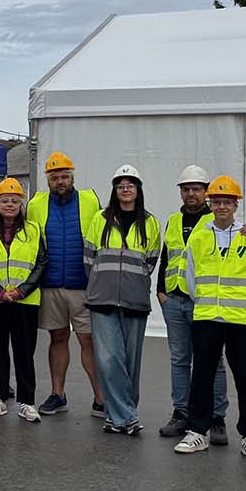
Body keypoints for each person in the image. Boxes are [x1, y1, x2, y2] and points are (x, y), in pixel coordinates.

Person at [174, 176, 246, 463]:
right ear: (210, 204)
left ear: (236, 204)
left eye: (227, 201)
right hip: (206, 317)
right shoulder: (199, 237)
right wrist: (204, 302)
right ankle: (197, 431)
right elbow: (190, 279)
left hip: (239, 319)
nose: (222, 206)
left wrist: (245, 307)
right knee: (201, 375)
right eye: (217, 201)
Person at [84, 165, 161, 436]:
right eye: (120, 185)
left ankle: (119, 417)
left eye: (130, 184)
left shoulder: (150, 222)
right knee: (107, 359)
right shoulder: (99, 219)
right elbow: (89, 258)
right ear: (114, 191)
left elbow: (150, 260)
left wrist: (132, 282)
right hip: (102, 299)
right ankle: (126, 416)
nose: (125, 189)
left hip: (134, 300)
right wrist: (100, 283)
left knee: (130, 361)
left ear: (138, 190)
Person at [155, 164, 228, 440]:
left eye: (196, 189)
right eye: (186, 189)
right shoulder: (174, 221)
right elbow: (167, 257)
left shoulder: (217, 221)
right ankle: (182, 413)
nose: (190, 194)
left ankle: (216, 417)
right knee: (179, 359)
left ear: (206, 192)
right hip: (174, 300)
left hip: (205, 303)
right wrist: (161, 292)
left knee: (213, 361)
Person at [28, 152, 103, 417]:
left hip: (82, 284)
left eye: (65, 177)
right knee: (57, 338)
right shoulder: (36, 204)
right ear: (48, 180)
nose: (60, 181)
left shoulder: (90, 200)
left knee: (88, 340)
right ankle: (58, 394)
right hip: (50, 285)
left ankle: (101, 398)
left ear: (73, 178)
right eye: (55, 177)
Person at [0, 178, 48, 423]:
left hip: (25, 302)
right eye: (5, 201)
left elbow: (41, 263)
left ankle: (27, 401)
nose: (10, 205)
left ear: (21, 204)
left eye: (15, 201)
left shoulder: (33, 230)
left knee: (24, 352)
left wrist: (22, 290)